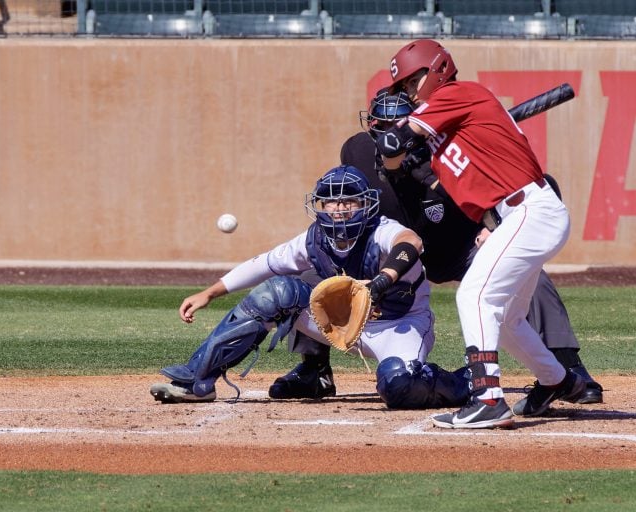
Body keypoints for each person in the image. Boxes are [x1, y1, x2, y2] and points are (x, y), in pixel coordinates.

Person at [269, 89, 603, 406]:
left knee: (533, 276)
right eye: (382, 127)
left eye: (400, 126)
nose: (390, 134)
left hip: (461, 248)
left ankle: (568, 366)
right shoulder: (357, 152)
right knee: (318, 273)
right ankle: (315, 370)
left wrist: (493, 227)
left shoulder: (451, 152)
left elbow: (534, 185)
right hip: (394, 255)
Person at [375, 39, 585, 429]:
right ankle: (558, 380)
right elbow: (482, 192)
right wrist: (427, 154)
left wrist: (407, 145)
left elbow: (392, 142)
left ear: (435, 70)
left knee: (473, 295)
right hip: (515, 214)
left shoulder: (460, 93)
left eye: (410, 83)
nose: (407, 93)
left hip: (531, 208)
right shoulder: (445, 145)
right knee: (505, 318)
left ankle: (488, 399)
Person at [150, 165, 470, 410]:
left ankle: (463, 381)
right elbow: (262, 265)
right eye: (331, 201)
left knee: (400, 386)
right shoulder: (313, 239)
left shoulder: (384, 231)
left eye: (349, 200)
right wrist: (209, 293)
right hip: (341, 323)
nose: (339, 207)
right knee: (279, 293)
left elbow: (410, 242)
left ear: (366, 204)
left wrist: (381, 281)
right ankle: (202, 381)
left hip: (397, 326)